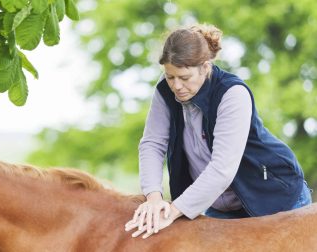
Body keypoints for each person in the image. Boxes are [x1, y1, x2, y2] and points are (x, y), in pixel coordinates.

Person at [124, 24, 312, 239]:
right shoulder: (166, 90)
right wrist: (154, 199)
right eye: (170, 76)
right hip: (221, 208)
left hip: (274, 199)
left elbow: (222, 169)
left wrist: (174, 211)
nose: (176, 86)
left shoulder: (232, 94)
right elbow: (152, 144)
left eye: (184, 78)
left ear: (205, 67)